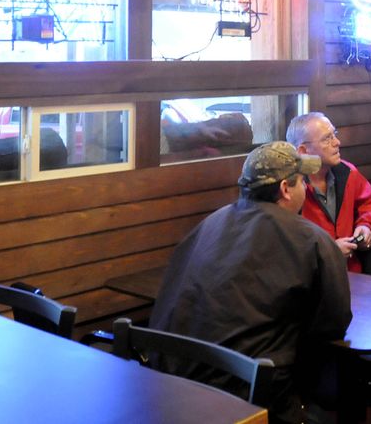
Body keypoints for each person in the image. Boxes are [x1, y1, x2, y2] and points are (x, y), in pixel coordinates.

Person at [149, 141, 352, 424]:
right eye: (302, 181)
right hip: (247, 395)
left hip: (170, 388)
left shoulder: (206, 226)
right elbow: (334, 322)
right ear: (285, 189)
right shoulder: (312, 240)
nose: (306, 188)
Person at [288, 112, 371, 272]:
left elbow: (368, 203)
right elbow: (288, 246)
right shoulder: (291, 188)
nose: (337, 142)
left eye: (334, 135)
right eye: (327, 139)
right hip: (312, 282)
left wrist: (366, 226)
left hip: (353, 274)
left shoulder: (348, 172)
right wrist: (329, 252)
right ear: (303, 150)